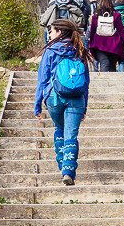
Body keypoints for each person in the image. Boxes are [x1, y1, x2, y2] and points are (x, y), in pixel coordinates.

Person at [34, 18, 91, 185]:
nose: (49, 34)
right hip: (77, 99)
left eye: (51, 31)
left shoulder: (50, 51)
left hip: (54, 98)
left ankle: (62, 162)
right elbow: (85, 82)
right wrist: (84, 106)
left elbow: (42, 80)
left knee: (59, 129)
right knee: (71, 135)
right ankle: (68, 170)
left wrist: (38, 105)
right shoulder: (79, 50)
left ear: (59, 32)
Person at [88, 0, 124, 72]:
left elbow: (92, 32)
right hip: (114, 45)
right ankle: (112, 82)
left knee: (104, 62)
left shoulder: (95, 17)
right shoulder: (116, 15)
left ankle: (104, 82)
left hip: (99, 44)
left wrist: (90, 46)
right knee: (112, 65)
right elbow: (121, 31)